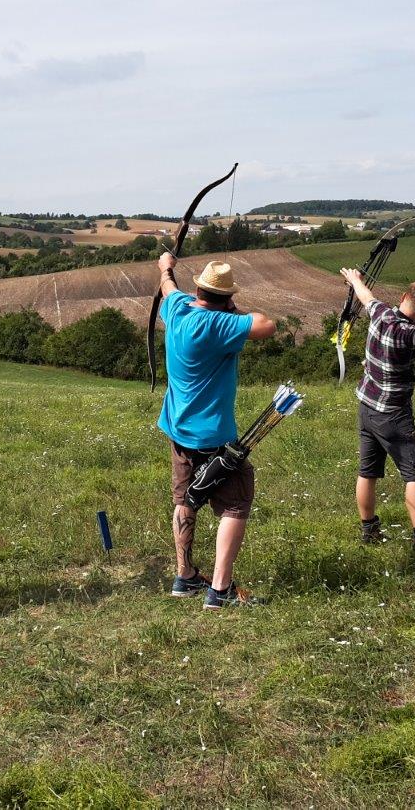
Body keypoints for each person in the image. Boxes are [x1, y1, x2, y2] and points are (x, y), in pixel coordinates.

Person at [157, 255, 277, 609]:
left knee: (185, 499)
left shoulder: (177, 309)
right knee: (235, 504)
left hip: (178, 430)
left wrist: (165, 267)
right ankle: (220, 590)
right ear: (227, 298)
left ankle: (185, 576)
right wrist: (233, 311)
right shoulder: (218, 323)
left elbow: (167, 288)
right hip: (213, 437)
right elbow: (267, 325)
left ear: (198, 289)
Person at [337, 273, 415, 550]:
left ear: (404, 297)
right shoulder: (414, 333)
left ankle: (369, 530)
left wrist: (355, 279)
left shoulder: (381, 313)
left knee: (367, 472)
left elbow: (366, 296)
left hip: (367, 407)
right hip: (394, 414)